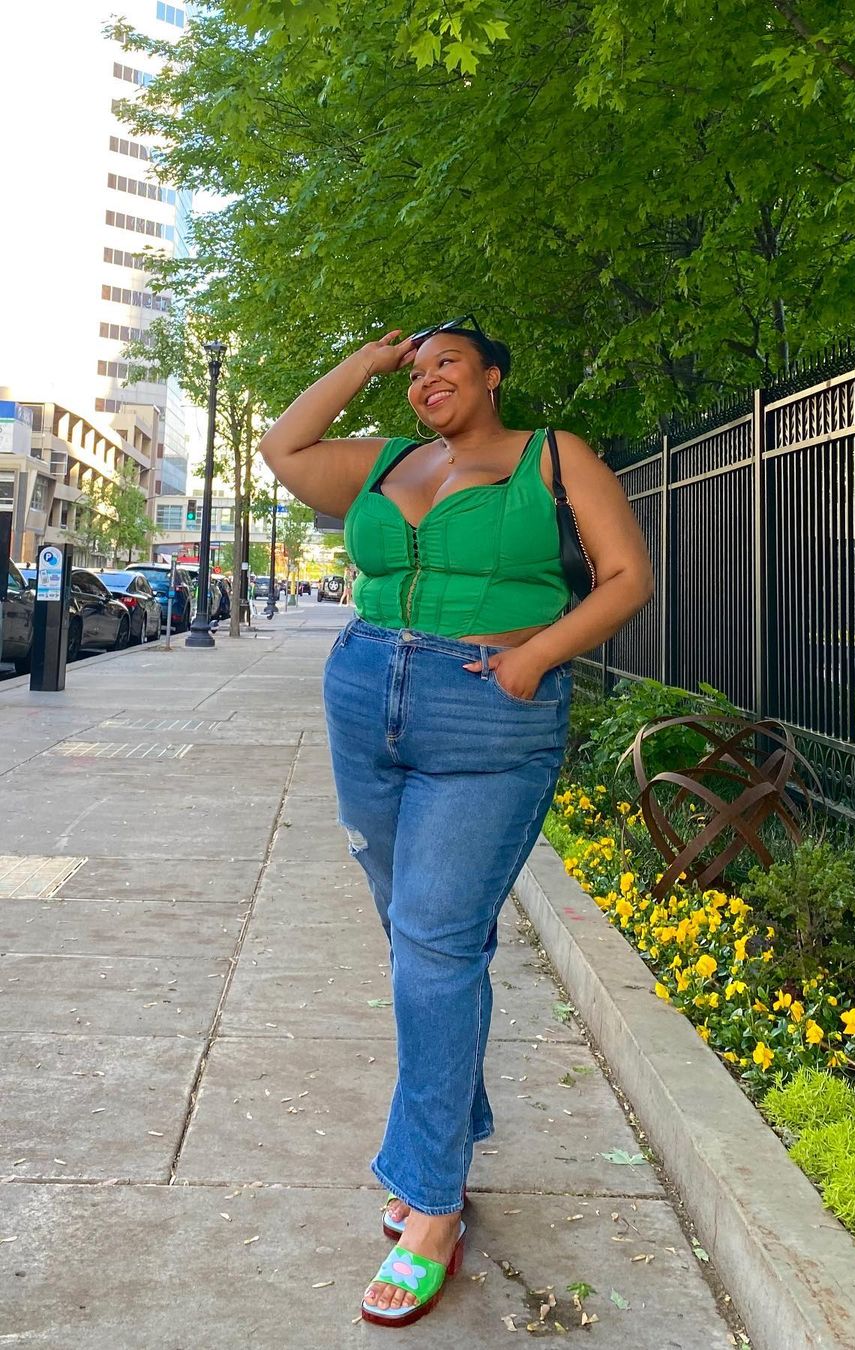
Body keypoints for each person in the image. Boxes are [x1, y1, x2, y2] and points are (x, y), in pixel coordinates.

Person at [258, 317, 653, 1328]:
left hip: (488, 707)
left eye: (449, 363)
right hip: (366, 696)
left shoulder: (553, 457)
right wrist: (365, 361)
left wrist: (534, 658)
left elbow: (627, 578)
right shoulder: (389, 459)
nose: (428, 378)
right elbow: (283, 447)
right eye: (416, 367)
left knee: (434, 943)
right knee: (419, 942)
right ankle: (445, 1134)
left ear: (493, 375)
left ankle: (432, 1204)